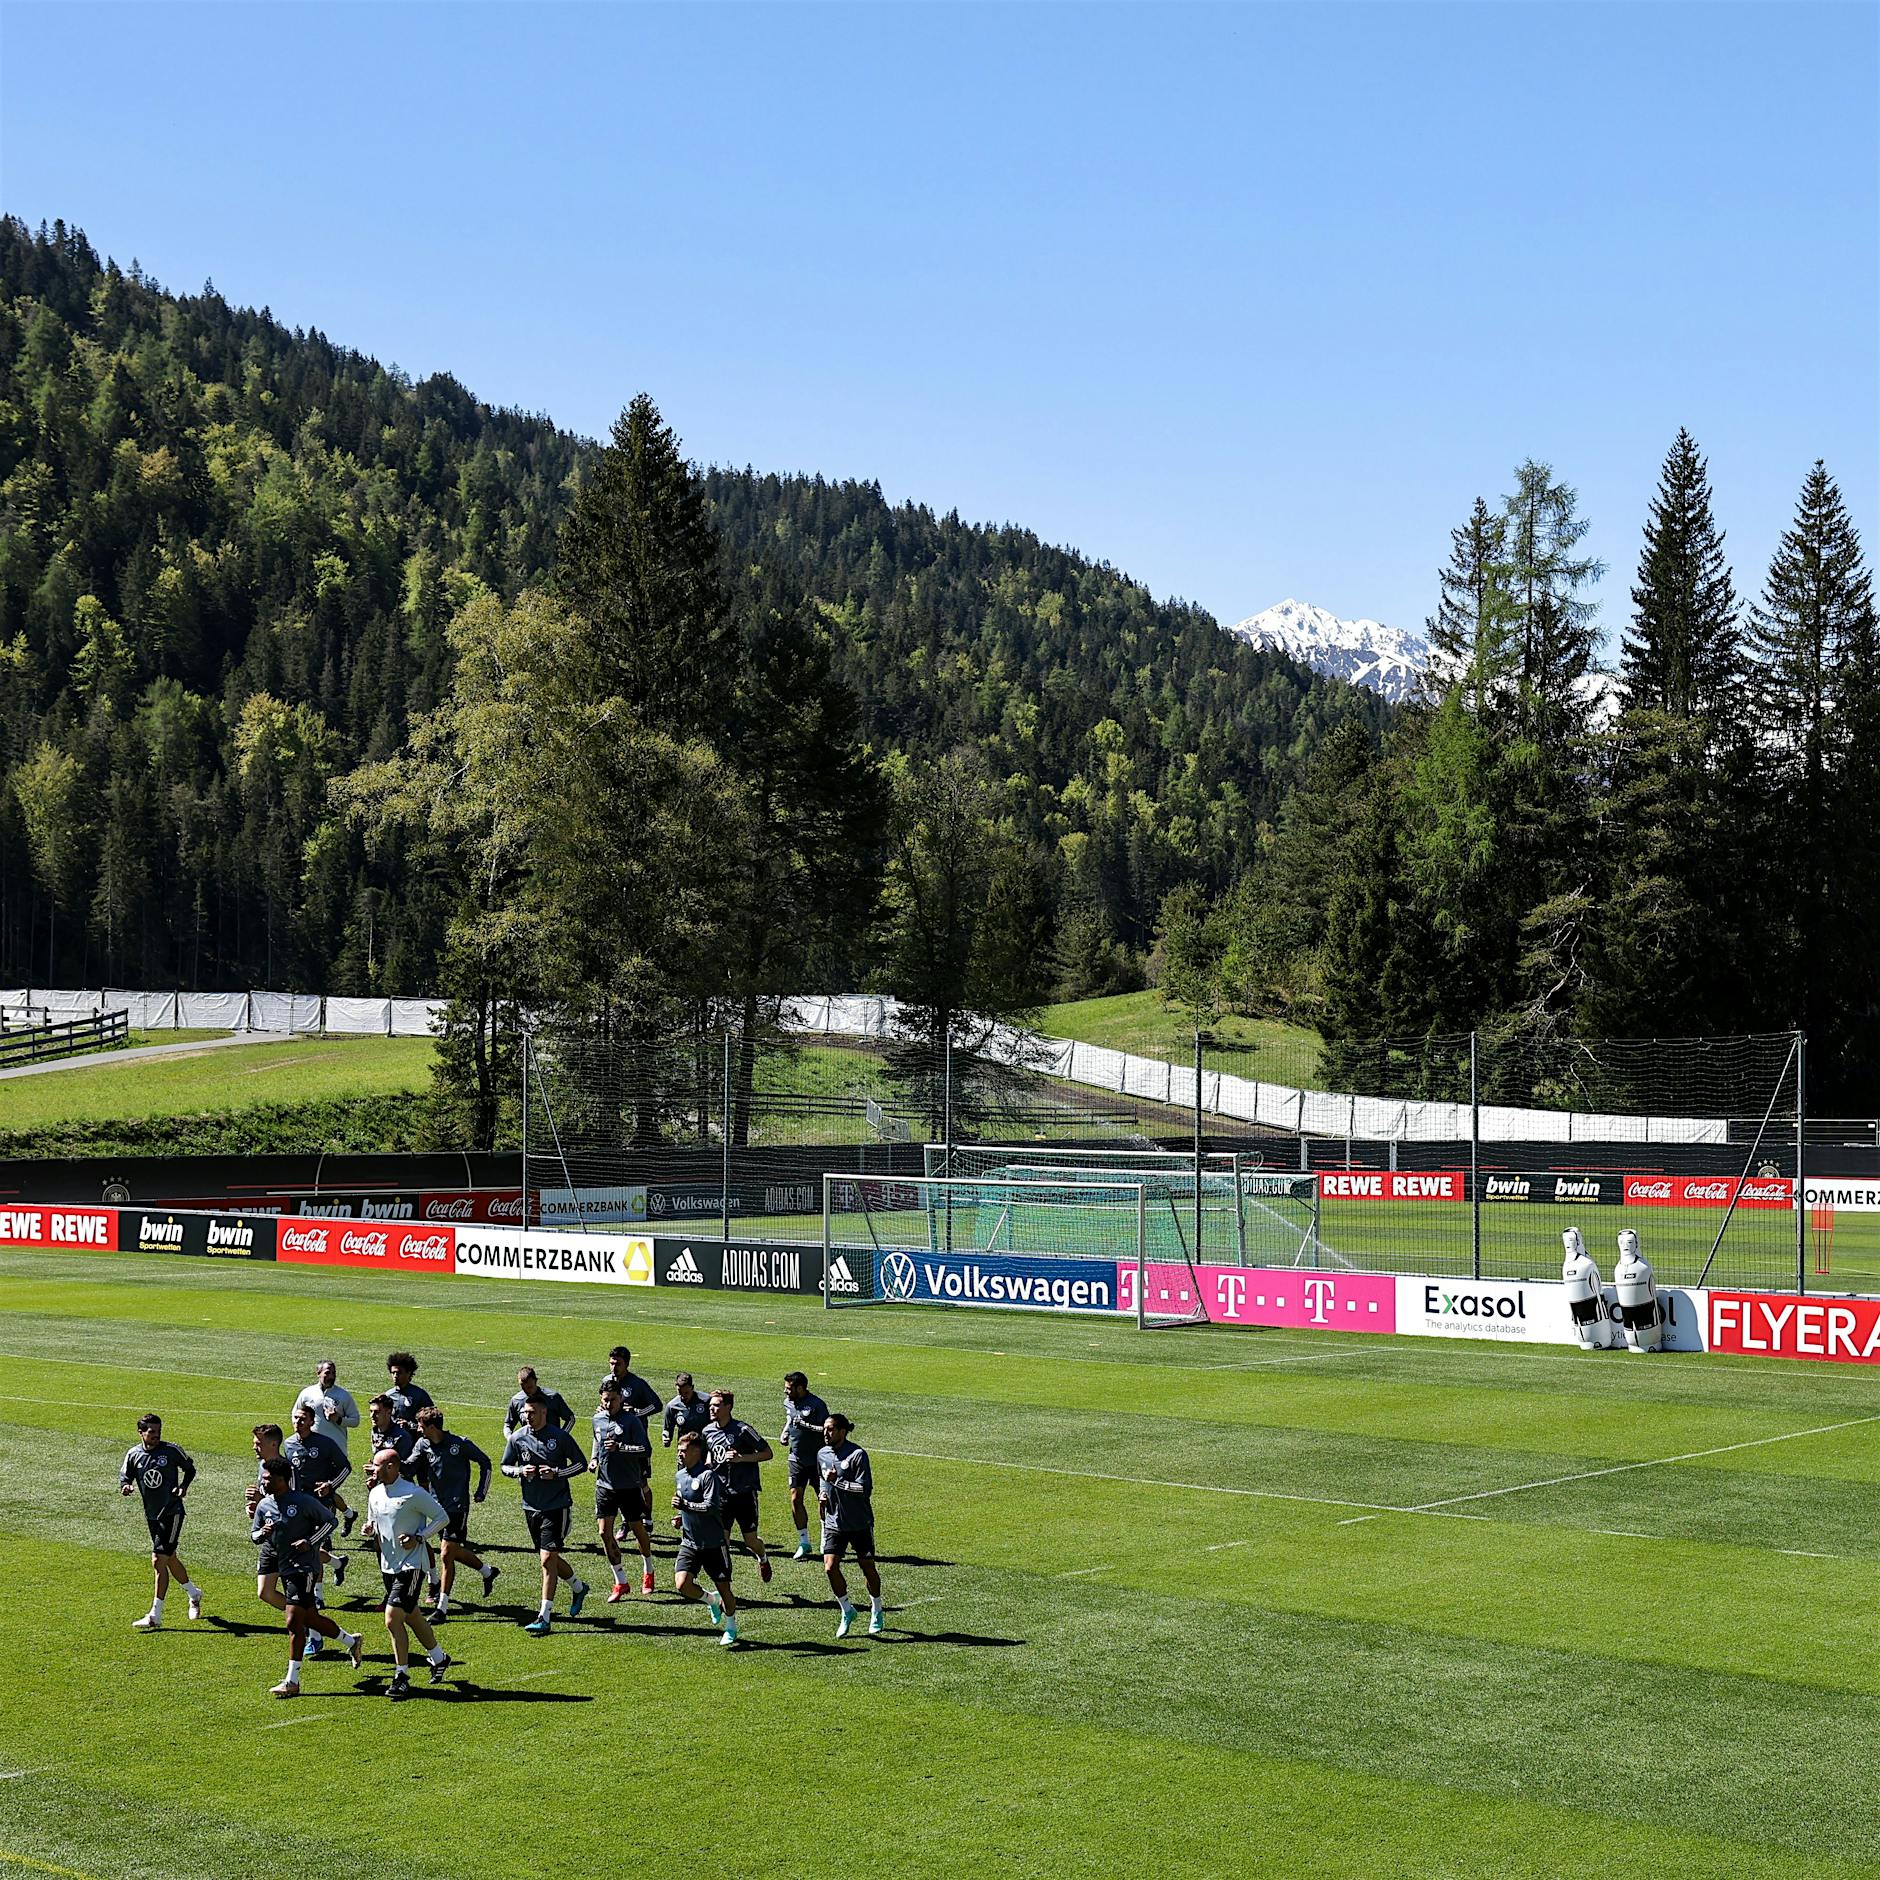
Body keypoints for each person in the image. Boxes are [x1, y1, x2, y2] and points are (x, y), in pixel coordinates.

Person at [251, 1455, 364, 1697]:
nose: (264, 1482)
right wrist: (262, 1532)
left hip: (303, 1567)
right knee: (310, 1618)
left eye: (268, 1478)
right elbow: (254, 1536)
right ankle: (351, 1642)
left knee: (294, 1622)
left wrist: (310, 1542)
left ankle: (292, 1681)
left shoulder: (302, 1501)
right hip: (280, 1560)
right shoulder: (264, 1505)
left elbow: (330, 1521)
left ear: (282, 1480)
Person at [364, 1447, 453, 1700]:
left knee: (392, 1619)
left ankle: (401, 1675)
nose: (373, 1468)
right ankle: (439, 1658)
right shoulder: (376, 1492)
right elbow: (374, 1521)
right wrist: (369, 1528)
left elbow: (442, 1517)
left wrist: (419, 1537)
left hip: (411, 1565)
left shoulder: (414, 1493)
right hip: (387, 1565)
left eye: (377, 1465)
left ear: (391, 1467)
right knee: (412, 1615)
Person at [499, 1394, 590, 1635]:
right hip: (531, 1506)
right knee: (548, 1558)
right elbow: (504, 1466)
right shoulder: (518, 1438)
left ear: (543, 1413)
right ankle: (578, 1587)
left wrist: (557, 1473)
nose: (526, 1417)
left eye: (531, 1413)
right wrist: (520, 1470)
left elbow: (581, 1463)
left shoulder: (560, 1437)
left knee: (547, 1559)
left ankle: (544, 1616)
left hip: (557, 1505)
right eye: (524, 1413)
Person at [411, 1407, 498, 1621]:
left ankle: (442, 1608)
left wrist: (481, 1491)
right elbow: (408, 1466)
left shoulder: (459, 1444)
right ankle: (487, 1572)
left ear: (431, 1427)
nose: (418, 1429)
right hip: (436, 1508)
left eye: (421, 1426)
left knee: (446, 1555)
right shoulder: (422, 1445)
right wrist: (386, 1466)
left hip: (458, 1506)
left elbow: (485, 1462)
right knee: (453, 1552)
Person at [118, 1413, 204, 1631]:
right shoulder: (133, 1454)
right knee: (170, 1559)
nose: (156, 1435)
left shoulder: (171, 1450)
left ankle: (155, 1614)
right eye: (151, 1431)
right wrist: (126, 1486)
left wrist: (183, 1487)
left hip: (172, 1512)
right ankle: (194, 1593)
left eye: (158, 1431)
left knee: (158, 1560)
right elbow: (125, 1476)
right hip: (152, 1515)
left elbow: (190, 1468)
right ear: (141, 1433)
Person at [818, 1413, 884, 1639]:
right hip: (834, 1521)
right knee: (829, 1567)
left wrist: (839, 1482)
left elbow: (864, 1490)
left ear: (842, 1431)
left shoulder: (857, 1455)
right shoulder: (822, 1454)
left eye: (830, 1429)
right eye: (824, 1429)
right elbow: (822, 1479)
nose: (825, 1433)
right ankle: (847, 1610)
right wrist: (823, 1495)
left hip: (859, 1522)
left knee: (867, 1566)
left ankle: (876, 1608)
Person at [670, 1430, 738, 1646]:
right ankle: (711, 1600)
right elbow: (686, 1504)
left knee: (725, 1588)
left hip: (713, 1544)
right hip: (690, 1542)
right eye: (678, 1450)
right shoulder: (680, 1475)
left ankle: (730, 1627)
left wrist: (686, 1506)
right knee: (682, 1585)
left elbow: (711, 1506)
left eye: (683, 1451)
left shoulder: (708, 1476)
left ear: (696, 1451)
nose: (679, 1454)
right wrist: (681, 1517)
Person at [592, 1381, 655, 1601]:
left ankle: (648, 1570)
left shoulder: (631, 1421)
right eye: (605, 1399)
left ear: (621, 1399)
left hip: (628, 1485)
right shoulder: (597, 1418)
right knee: (603, 1533)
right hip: (604, 1485)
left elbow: (645, 1449)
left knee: (639, 1530)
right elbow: (597, 1439)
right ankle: (621, 1582)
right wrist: (593, 1459)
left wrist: (622, 1448)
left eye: (613, 1399)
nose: (609, 1403)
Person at [703, 1388, 774, 1583]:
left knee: (750, 1541)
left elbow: (768, 1453)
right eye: (711, 1405)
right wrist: (710, 1462)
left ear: (728, 1407)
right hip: (722, 1494)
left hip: (744, 1493)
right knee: (722, 1542)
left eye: (716, 1405)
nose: (712, 1409)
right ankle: (726, 1582)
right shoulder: (707, 1430)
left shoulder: (743, 1430)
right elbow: (711, 1451)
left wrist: (741, 1458)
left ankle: (763, 1557)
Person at [284, 1404, 352, 1599]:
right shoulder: (288, 1444)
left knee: (313, 1547)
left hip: (322, 1504)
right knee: (308, 1547)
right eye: (296, 1418)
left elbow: (345, 1468)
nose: (298, 1422)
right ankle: (338, 1563)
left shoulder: (325, 1443)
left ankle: (318, 1595)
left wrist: (330, 1485)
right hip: (299, 1504)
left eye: (303, 1418)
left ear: (312, 1422)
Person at [292, 1358, 362, 1535]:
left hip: (335, 1451)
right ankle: (348, 1515)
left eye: (333, 1373)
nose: (331, 1376)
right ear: (318, 1374)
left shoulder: (343, 1396)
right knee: (323, 1491)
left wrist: (338, 1419)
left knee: (326, 1491)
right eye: (327, 1373)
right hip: (312, 1452)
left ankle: (328, 1533)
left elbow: (355, 1420)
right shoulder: (307, 1394)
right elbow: (295, 1414)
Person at [600, 1346, 662, 1518]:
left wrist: (636, 1412)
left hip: (635, 1441)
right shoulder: (607, 1381)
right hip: (614, 1443)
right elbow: (603, 1403)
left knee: (641, 1482)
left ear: (626, 1364)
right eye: (611, 1363)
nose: (614, 1367)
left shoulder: (637, 1383)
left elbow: (656, 1404)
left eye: (618, 1363)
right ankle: (626, 1522)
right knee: (617, 1483)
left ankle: (647, 1518)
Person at [780, 1371, 830, 1561]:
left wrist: (806, 1425)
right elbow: (789, 1419)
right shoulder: (788, 1403)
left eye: (789, 1389)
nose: (786, 1392)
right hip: (796, 1458)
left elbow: (826, 1430)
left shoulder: (817, 1405)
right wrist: (785, 1432)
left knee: (823, 1499)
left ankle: (825, 1536)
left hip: (817, 1459)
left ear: (800, 1388)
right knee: (795, 1498)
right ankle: (804, 1542)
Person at [248, 1425, 290, 1614]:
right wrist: (255, 1509)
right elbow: (266, 1501)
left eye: (258, 1443)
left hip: (288, 1539)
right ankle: (305, 1621)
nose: (254, 1447)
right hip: (270, 1540)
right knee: (265, 1592)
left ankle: (309, 1627)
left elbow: (291, 1505)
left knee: (296, 1595)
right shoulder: (262, 1466)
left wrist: (261, 1501)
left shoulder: (287, 1470)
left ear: (273, 1444)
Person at [503, 1366, 573, 1441]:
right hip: (529, 1445)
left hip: (552, 1445)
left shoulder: (553, 1397)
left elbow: (570, 1418)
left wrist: (562, 1436)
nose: (527, 1391)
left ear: (535, 1381)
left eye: (530, 1387)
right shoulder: (516, 1400)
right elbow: (508, 1425)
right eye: (523, 1387)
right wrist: (510, 1439)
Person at [384, 1352, 435, 1428]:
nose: (395, 1376)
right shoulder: (388, 1395)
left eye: (399, 1373)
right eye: (393, 1373)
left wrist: (410, 1425)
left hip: (414, 1438)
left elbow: (433, 1420)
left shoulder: (419, 1395)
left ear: (408, 1373)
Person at [662, 1372, 711, 1450]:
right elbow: (667, 1429)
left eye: (686, 1393)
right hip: (684, 1449)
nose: (683, 1396)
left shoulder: (706, 1401)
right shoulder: (672, 1406)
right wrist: (666, 1438)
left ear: (692, 1387)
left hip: (705, 1447)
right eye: (680, 1392)